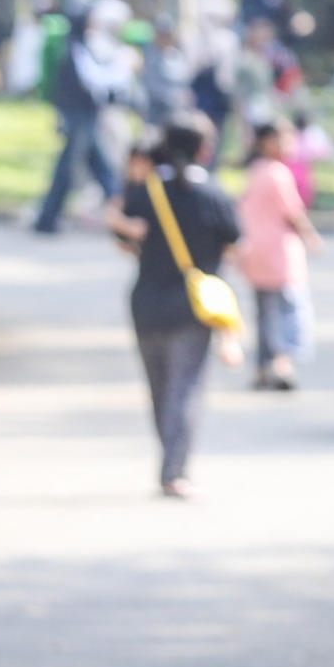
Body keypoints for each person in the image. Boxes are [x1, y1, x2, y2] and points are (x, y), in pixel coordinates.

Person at [108, 116, 243, 499]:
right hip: (193, 307)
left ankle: (169, 460)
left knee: (161, 388)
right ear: (205, 148)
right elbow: (234, 244)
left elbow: (123, 237)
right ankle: (174, 470)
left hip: (146, 304)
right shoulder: (214, 194)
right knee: (185, 389)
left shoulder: (144, 191)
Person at [34, 0, 137, 235]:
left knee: (100, 168)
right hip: (78, 118)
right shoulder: (76, 50)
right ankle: (48, 218)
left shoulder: (89, 48)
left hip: (87, 117)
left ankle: (122, 211)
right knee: (71, 169)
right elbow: (94, 80)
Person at [234, 114, 321, 390]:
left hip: (255, 253)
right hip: (279, 256)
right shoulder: (277, 172)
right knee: (287, 311)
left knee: (264, 314)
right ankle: (282, 364)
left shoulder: (257, 170)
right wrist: (311, 237)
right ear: (268, 143)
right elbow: (293, 213)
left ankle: (262, 368)